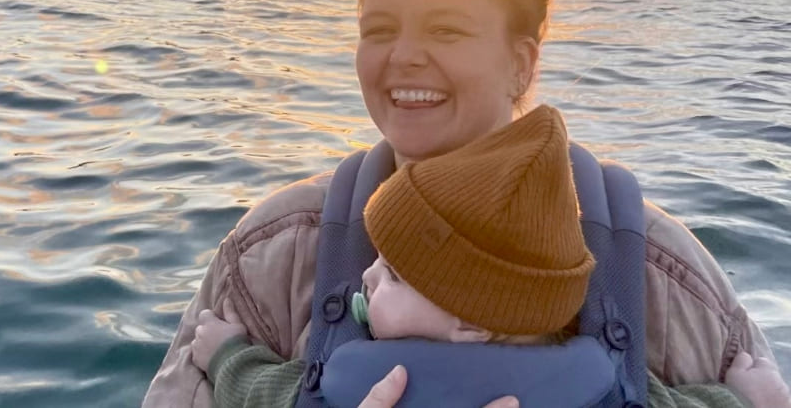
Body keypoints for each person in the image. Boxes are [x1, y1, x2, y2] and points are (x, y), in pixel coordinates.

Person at [142, 0, 779, 407]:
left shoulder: (664, 276)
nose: (404, 55)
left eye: (446, 29)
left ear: (521, 65)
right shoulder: (270, 257)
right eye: (379, 30)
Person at [186, 106, 789, 407]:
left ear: (472, 322)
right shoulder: (601, 386)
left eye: (394, 274)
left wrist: (223, 353)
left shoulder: (366, 379)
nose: (364, 274)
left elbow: (271, 389)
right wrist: (752, 398)